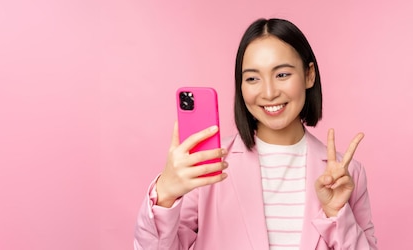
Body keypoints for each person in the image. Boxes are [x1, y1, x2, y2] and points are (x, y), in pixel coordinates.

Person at [134, 18, 377, 250]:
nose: (269, 92)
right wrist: (164, 194)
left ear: (309, 75)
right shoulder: (206, 167)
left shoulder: (348, 174)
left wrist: (337, 216)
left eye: (282, 74)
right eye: (252, 78)